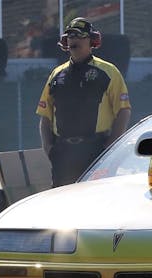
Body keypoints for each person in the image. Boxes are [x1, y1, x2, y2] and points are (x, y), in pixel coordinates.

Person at [37, 17, 132, 187]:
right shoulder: (56, 74)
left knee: (97, 198)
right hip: (63, 152)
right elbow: (45, 116)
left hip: (97, 150)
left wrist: (109, 148)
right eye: (71, 36)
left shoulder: (109, 71)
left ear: (91, 40)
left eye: (80, 36)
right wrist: (49, 148)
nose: (74, 40)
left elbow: (123, 111)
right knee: (63, 199)